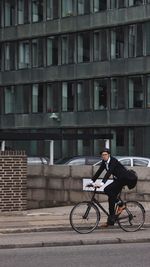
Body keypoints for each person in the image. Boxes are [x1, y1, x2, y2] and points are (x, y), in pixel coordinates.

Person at [89, 148, 136, 227]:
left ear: (109, 155)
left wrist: (102, 183)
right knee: (111, 199)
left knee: (107, 189)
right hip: (118, 180)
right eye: (102, 155)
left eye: (105, 155)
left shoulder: (113, 161)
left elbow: (109, 172)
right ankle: (111, 221)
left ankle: (121, 205)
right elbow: (99, 172)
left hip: (123, 179)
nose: (104, 156)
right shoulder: (104, 162)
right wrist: (91, 181)